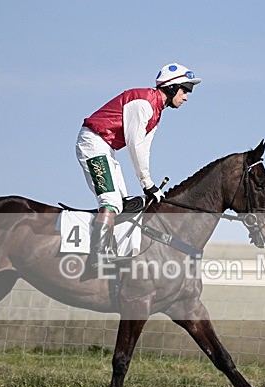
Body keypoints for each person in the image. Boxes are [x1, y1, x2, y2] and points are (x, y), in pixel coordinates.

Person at [75, 62, 201, 273]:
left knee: (125, 204)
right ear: (171, 87)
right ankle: (97, 257)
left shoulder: (156, 112)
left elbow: (144, 149)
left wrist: (147, 185)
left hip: (106, 148)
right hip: (93, 143)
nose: (187, 96)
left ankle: (115, 252)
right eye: (185, 90)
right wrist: (147, 183)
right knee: (111, 201)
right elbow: (135, 146)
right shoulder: (143, 104)